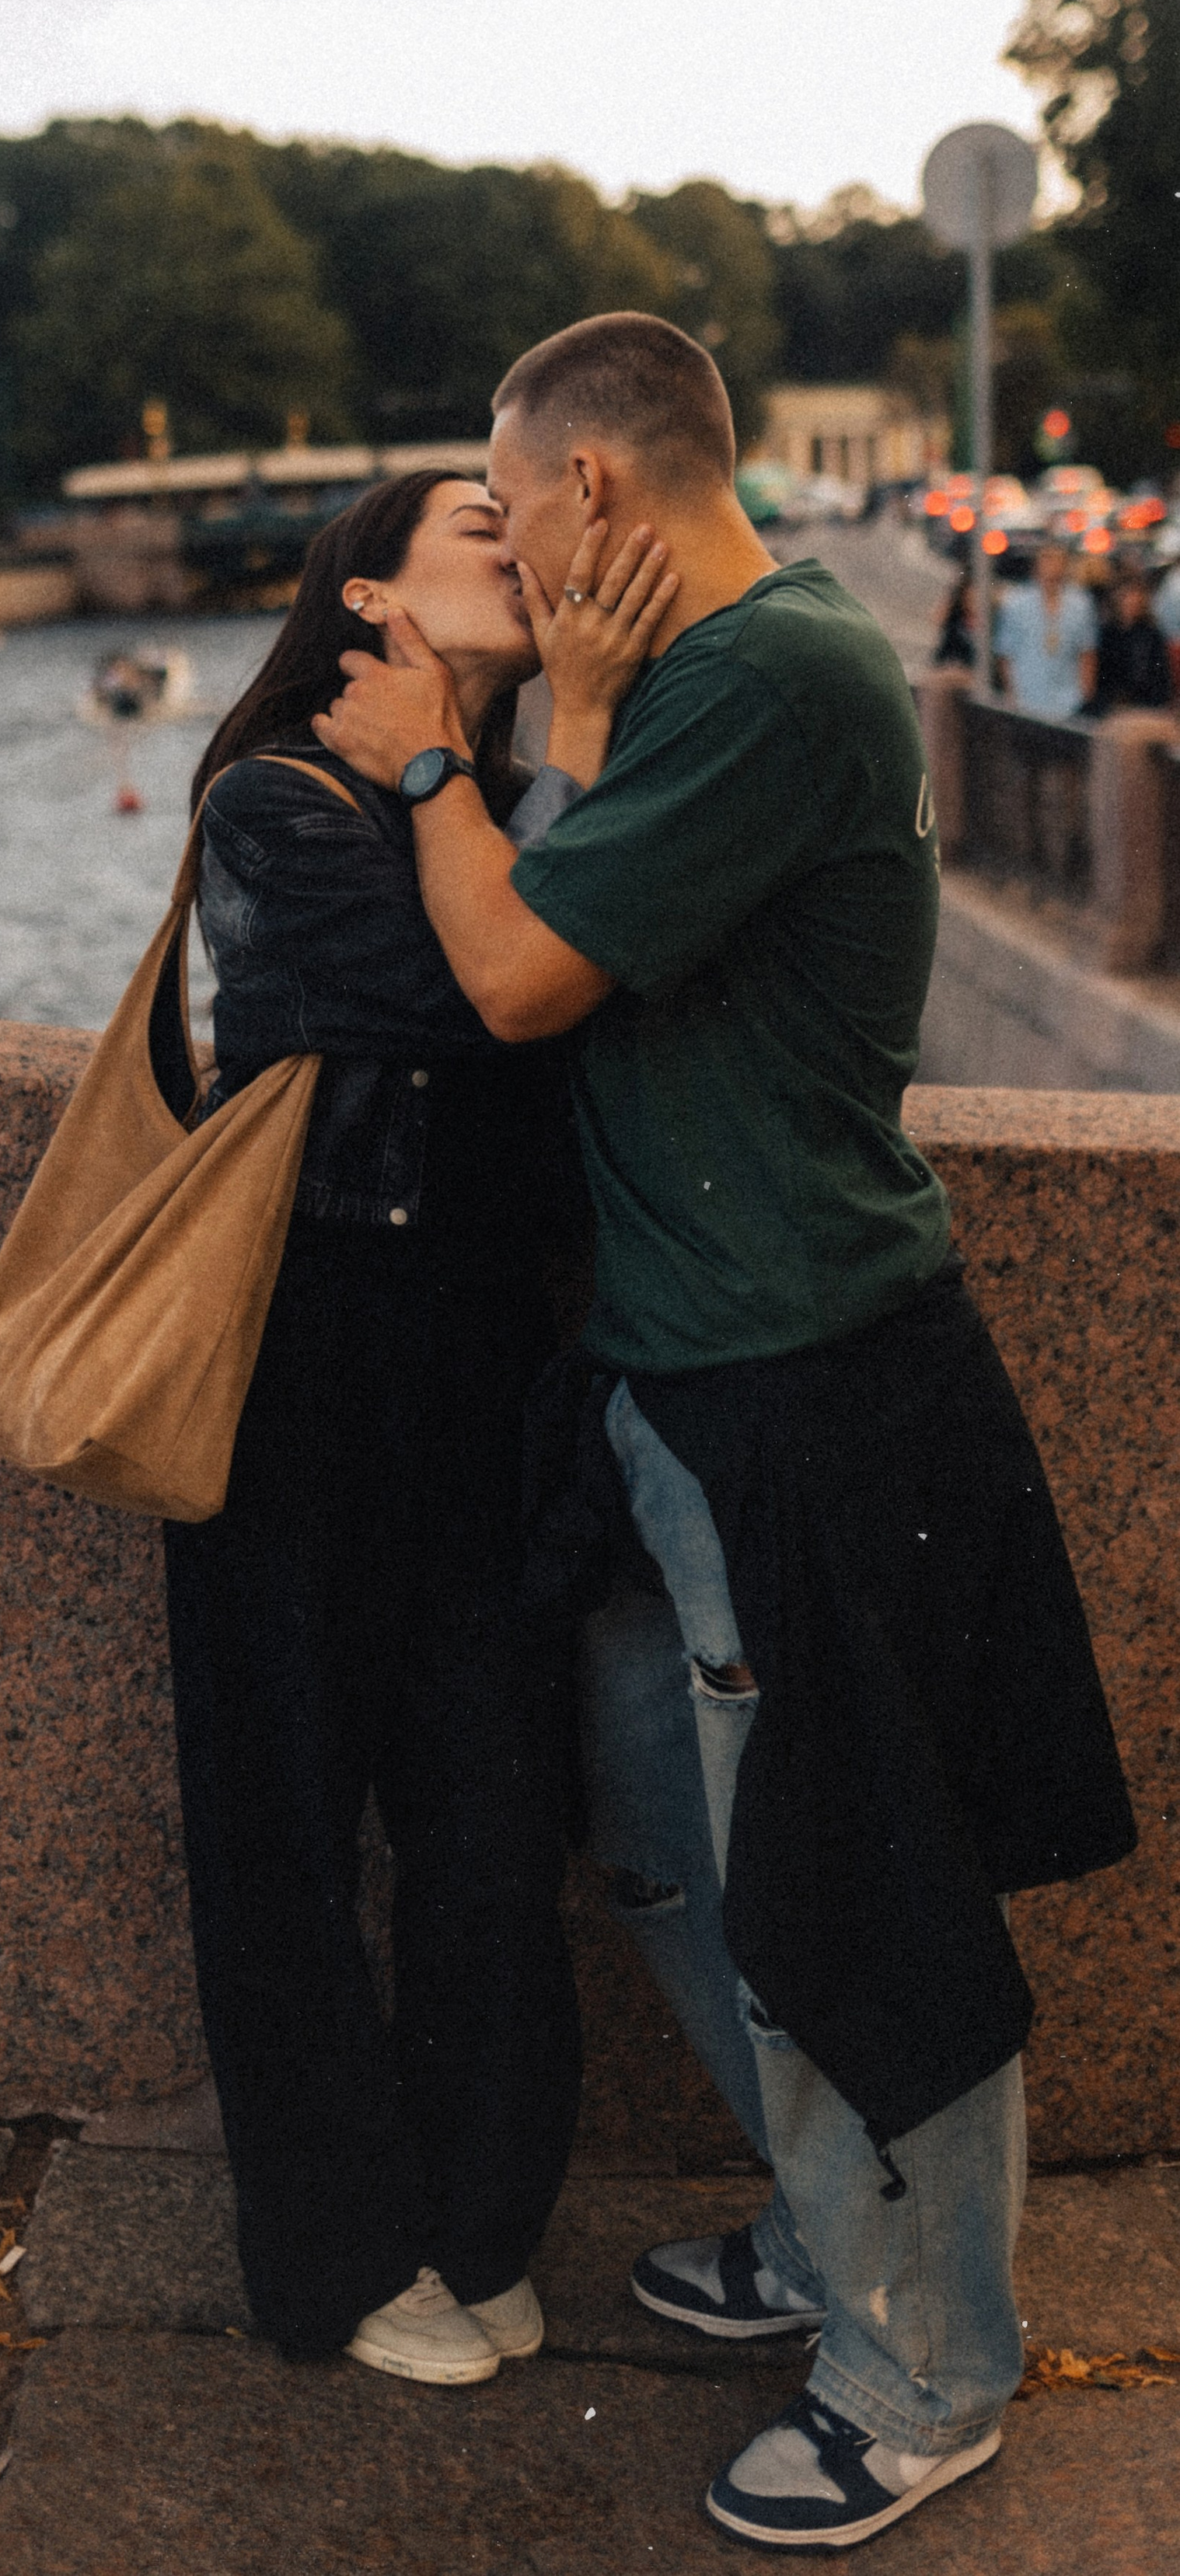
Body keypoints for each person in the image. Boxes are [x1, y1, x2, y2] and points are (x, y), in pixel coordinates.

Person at [317, 315, 1136, 2550]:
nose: (498, 531)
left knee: (856, 1882)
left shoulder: (775, 669)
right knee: (688, 1832)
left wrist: (427, 763)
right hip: (688, 1372)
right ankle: (827, 2223)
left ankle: (925, 2360)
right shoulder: (693, 679)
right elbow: (585, 909)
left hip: (806, 1380)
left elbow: (513, 974)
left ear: (593, 487)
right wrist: (562, 726)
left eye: (508, 490)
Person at [166, 469, 675, 2388]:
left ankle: (476, 2218)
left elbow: (573, 970)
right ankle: (332, 2254)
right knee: (283, 1830)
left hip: (485, 1385)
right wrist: (535, 762)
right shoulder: (270, 797)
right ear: (363, 592)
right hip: (297, 1376)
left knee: (490, 1821)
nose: (525, 548)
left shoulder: (479, 789)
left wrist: (534, 749)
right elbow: (507, 998)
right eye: (482, 526)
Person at [991, 539, 1097, 715]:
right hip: (1027, 697)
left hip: (1068, 700)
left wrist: (1084, 694)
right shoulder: (1016, 603)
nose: (1052, 566)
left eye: (1057, 559)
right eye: (1047, 559)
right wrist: (1012, 694)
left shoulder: (1081, 603)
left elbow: (1087, 651)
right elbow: (1006, 654)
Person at [1087, 566, 1172, 712]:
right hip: (1112, 705)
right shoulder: (1107, 634)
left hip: (1147, 705)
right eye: (1128, 595)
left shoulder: (1151, 633)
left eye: (1137, 595)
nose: (1133, 601)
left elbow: (1160, 676)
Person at [930, 573, 978, 671]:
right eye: (970, 595)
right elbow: (936, 618)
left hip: (971, 672)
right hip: (947, 665)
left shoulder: (992, 622)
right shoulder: (956, 616)